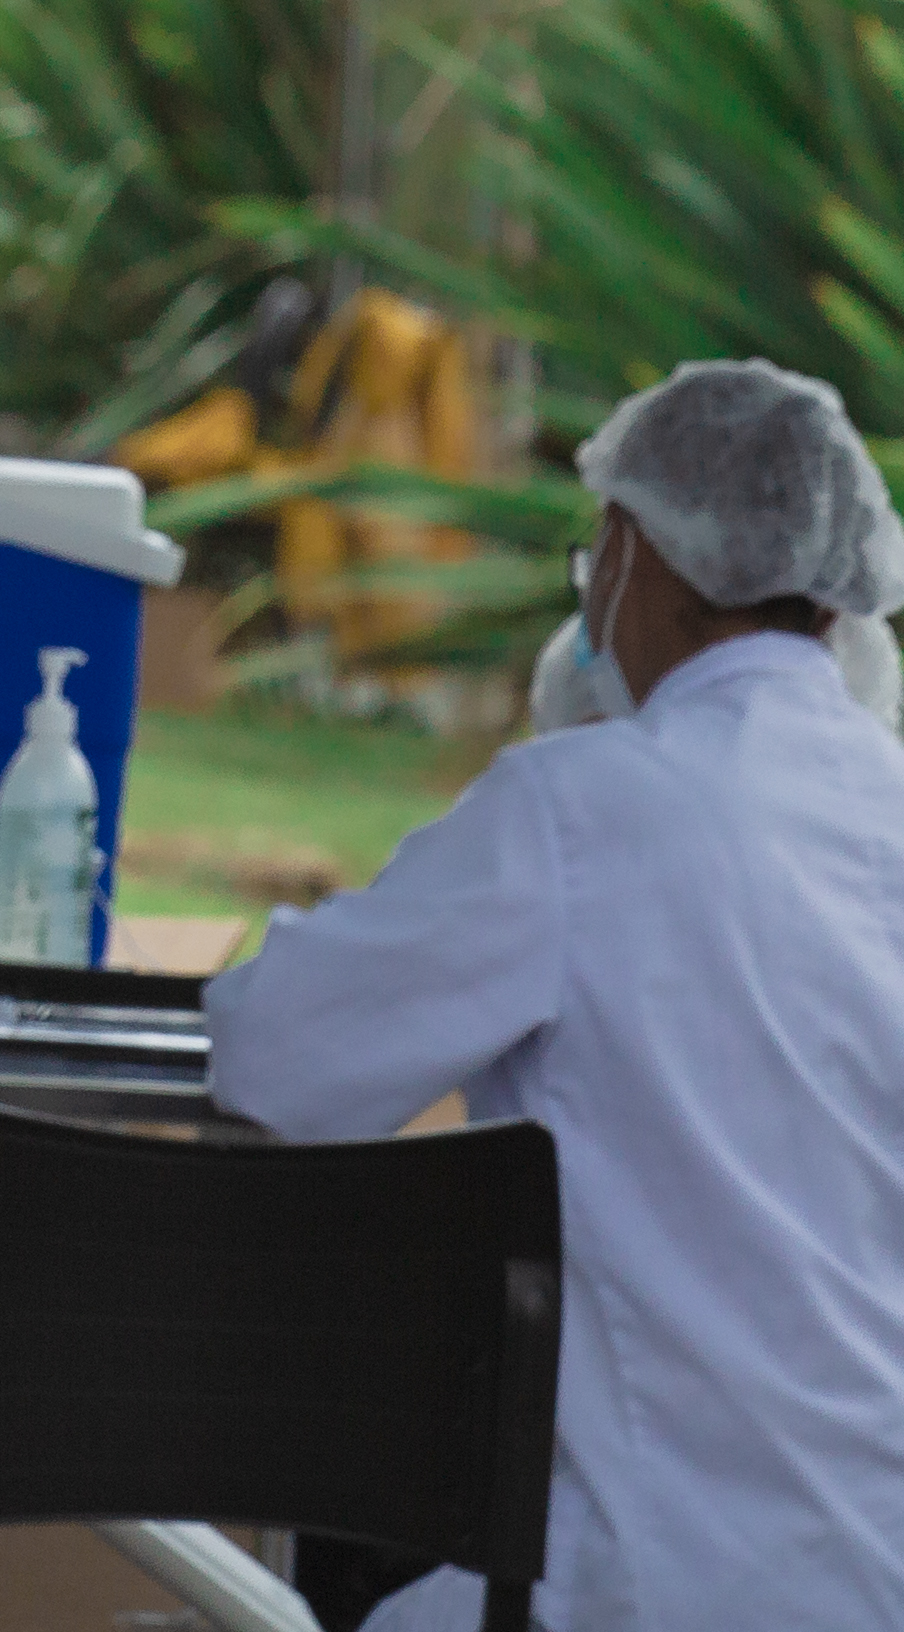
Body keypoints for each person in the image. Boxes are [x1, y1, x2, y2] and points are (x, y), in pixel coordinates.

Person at [209, 360, 904, 1632]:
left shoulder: (582, 807)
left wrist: (307, 945)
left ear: (634, 548)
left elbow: (274, 1060)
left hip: (653, 1584)